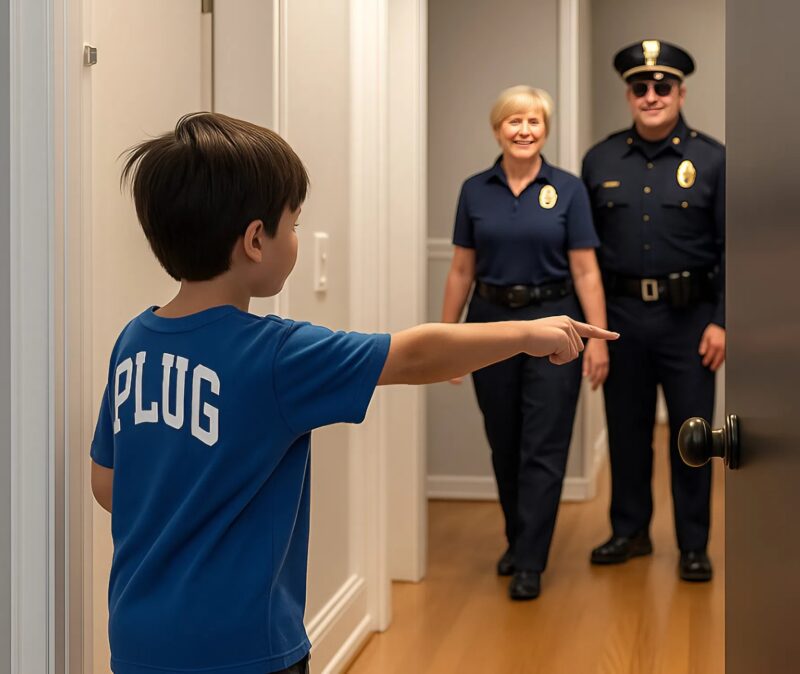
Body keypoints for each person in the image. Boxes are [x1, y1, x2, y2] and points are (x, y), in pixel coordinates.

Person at [89, 112, 618, 674]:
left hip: (138, 636)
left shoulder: (135, 340)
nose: (297, 238)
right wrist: (530, 333)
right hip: (243, 647)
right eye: (293, 225)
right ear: (254, 240)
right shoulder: (275, 354)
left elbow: (108, 483)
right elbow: (414, 354)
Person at [441, 86, 609, 601]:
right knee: (505, 441)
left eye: (534, 121)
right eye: (514, 121)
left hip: (555, 322)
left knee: (544, 444)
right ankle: (518, 538)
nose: (524, 130)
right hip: (489, 323)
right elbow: (461, 269)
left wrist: (597, 341)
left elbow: (585, 269)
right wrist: (449, 339)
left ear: (545, 130)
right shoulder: (475, 190)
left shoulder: (570, 189)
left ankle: (531, 560)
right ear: (497, 129)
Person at [582, 40, 725, 582]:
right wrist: (591, 332)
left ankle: (693, 543)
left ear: (681, 92)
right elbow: (584, 255)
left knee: (694, 434)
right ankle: (630, 531)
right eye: (641, 88)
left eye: (662, 86)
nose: (652, 96)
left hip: (691, 322)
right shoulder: (599, 159)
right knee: (626, 430)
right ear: (629, 95)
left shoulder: (712, 158)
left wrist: (724, 320)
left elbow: (732, 245)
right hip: (620, 321)